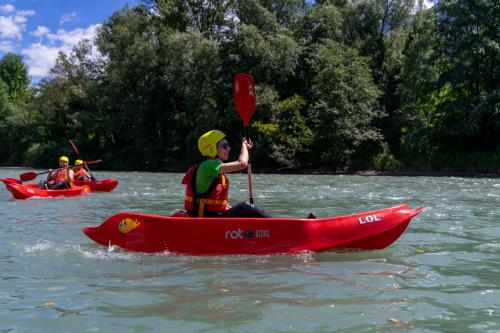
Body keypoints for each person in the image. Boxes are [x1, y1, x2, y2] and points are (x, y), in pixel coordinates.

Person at [182, 130, 271, 218]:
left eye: (228, 145)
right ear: (212, 148)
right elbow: (242, 163)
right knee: (245, 207)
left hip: (211, 217)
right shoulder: (208, 165)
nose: (229, 148)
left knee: (241, 210)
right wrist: (244, 146)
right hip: (206, 220)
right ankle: (279, 225)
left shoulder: (212, 168)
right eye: (224, 146)